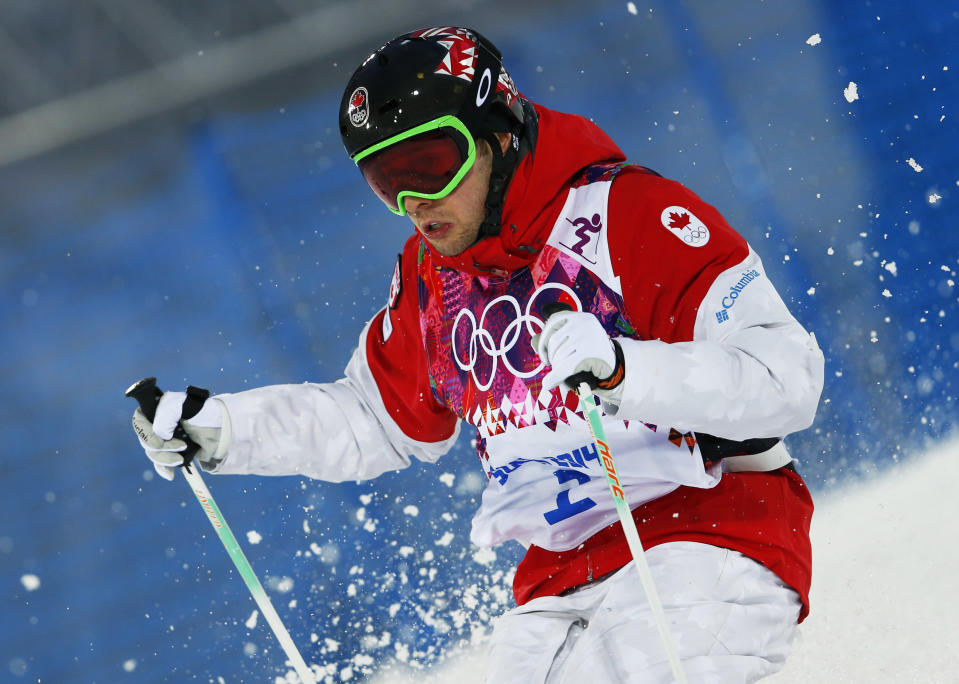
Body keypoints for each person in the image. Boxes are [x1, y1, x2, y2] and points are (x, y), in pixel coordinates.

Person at [133, 26, 825, 683]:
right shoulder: (432, 276)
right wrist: (223, 429)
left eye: (429, 166)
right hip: (559, 578)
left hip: (711, 535)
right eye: (385, 180)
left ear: (499, 134)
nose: (413, 202)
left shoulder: (628, 214)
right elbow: (373, 422)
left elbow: (786, 378)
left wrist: (625, 371)